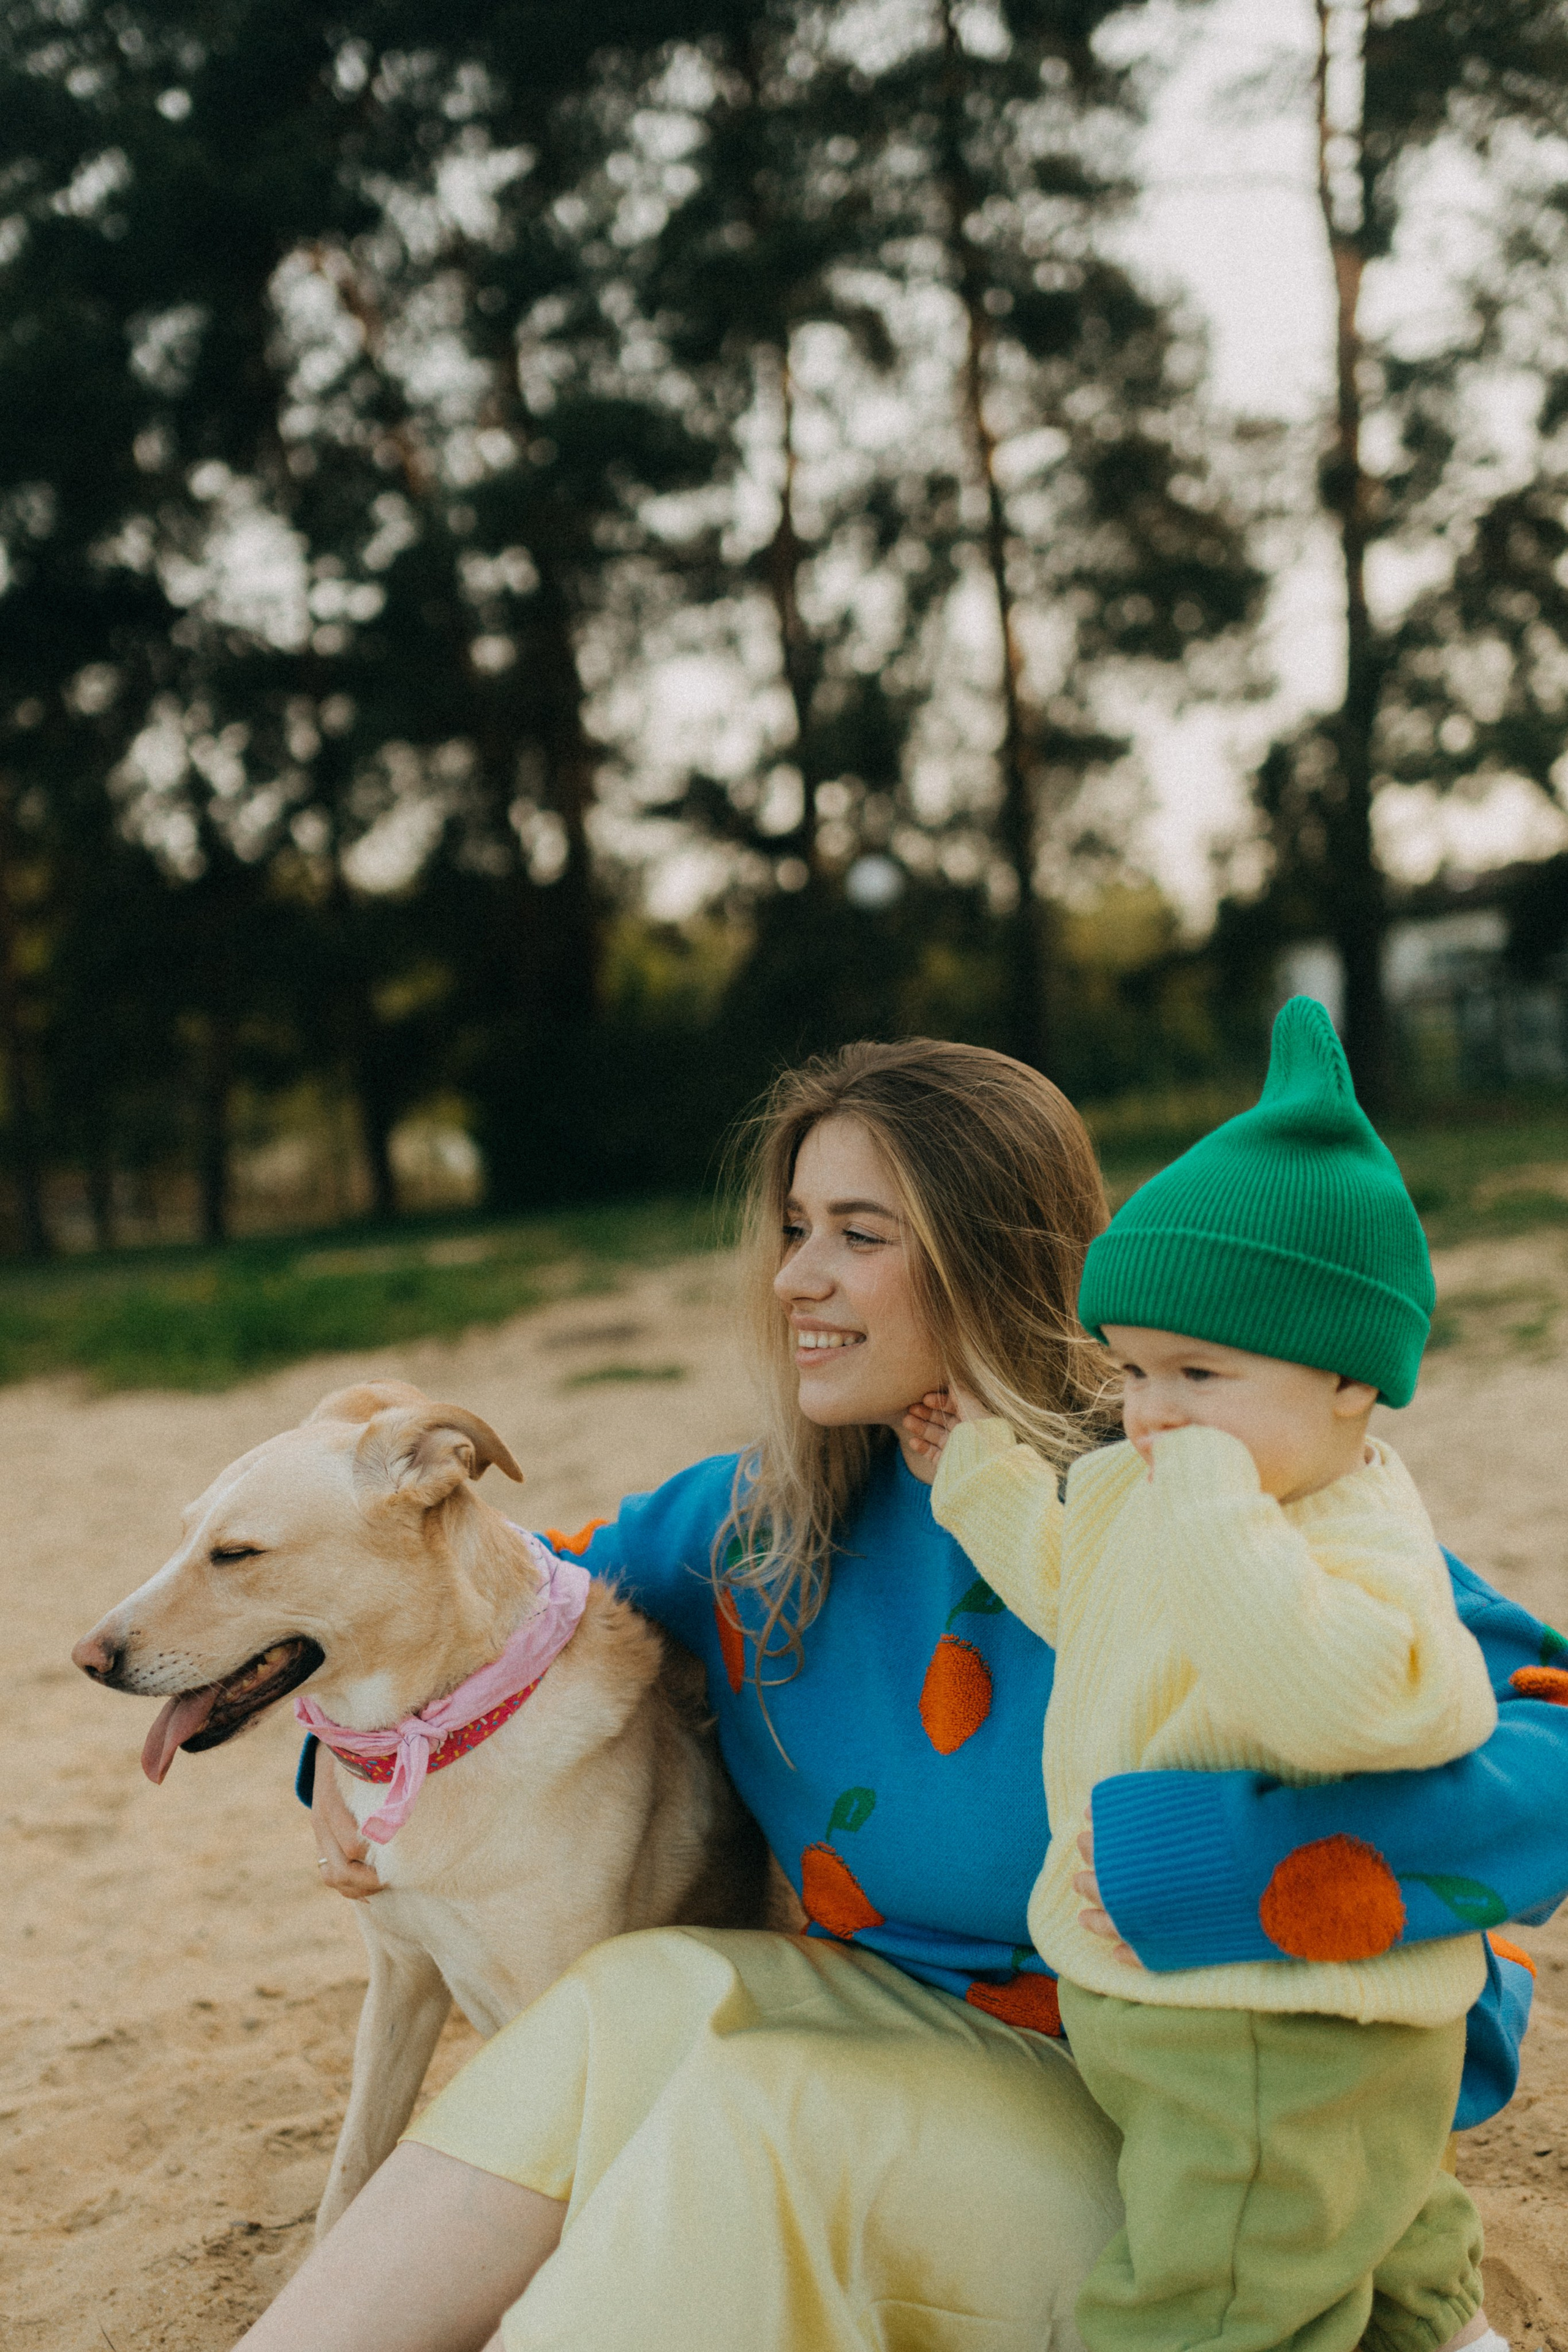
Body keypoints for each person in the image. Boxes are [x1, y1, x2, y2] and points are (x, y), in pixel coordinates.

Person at [240, 1039, 1566, 2352]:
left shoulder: (1198, 1494)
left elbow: (1539, 1733)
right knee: (618, 2004)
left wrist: (1220, 1862)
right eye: (793, 1225)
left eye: (858, 1234)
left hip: (1193, 2138)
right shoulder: (754, 1527)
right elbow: (490, 1599)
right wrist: (348, 1763)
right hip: (925, 2049)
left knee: (765, 2111)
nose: (793, 1279)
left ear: (992, 1253)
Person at [914, 999, 1510, 2352]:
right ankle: (1444, 2330)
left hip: (1275, 2023)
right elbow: (1082, 1593)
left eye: (1199, 1373)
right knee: (1374, 2218)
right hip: (1216, 2001)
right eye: (1131, 1372)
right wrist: (978, 1480)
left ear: (1354, 1383)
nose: (1152, 1411)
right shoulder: (1156, 1488)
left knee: (1210, 2291)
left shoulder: (1349, 1543)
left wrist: (1214, 1517)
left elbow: (1338, 1700)